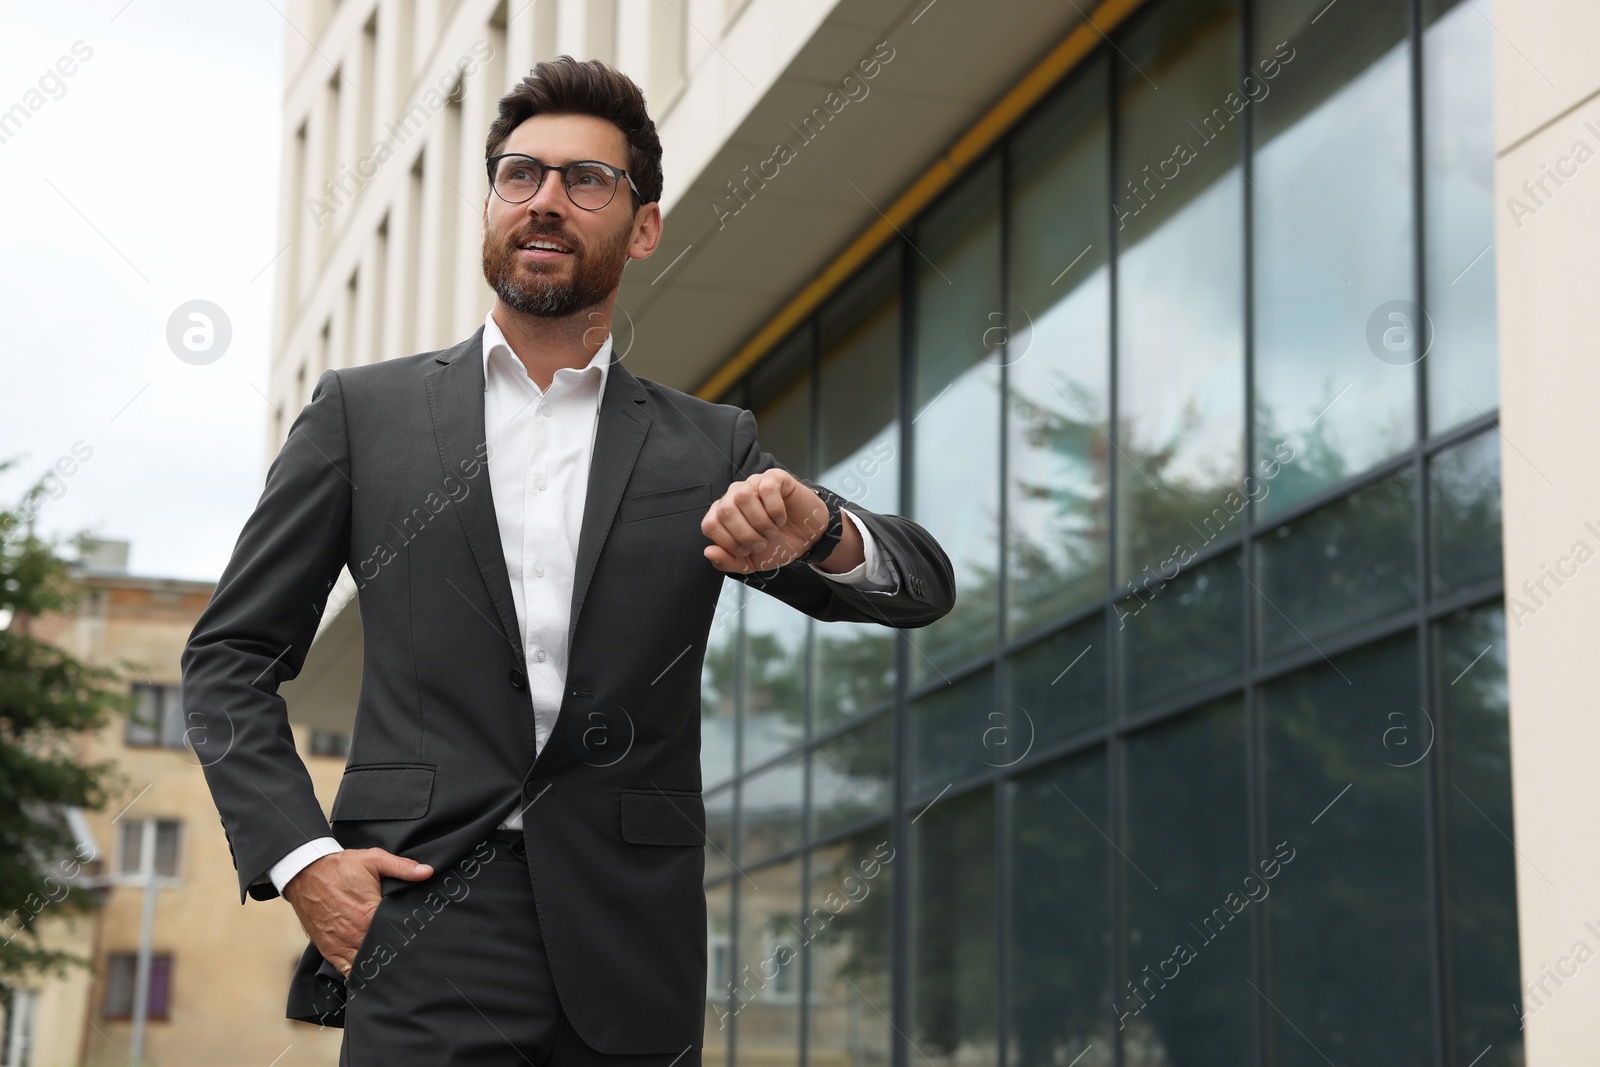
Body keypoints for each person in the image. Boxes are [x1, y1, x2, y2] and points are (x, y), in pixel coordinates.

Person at [181, 55, 954, 1066]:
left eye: (585, 180)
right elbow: (229, 655)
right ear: (492, 203)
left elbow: (917, 587)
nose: (545, 200)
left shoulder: (706, 445)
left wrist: (821, 531)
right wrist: (302, 860)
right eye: (520, 174)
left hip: (633, 937)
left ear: (641, 226)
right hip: (420, 916)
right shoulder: (360, 416)